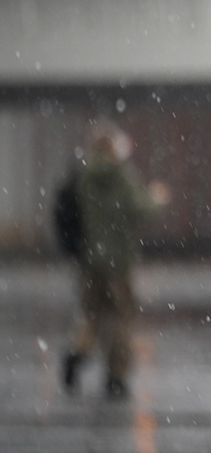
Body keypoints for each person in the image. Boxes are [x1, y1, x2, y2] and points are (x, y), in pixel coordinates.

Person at [61, 120, 167, 398]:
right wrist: (156, 198)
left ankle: (78, 353)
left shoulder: (83, 174)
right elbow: (139, 207)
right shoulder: (120, 173)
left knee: (91, 314)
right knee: (122, 318)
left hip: (89, 258)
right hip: (118, 260)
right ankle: (116, 378)